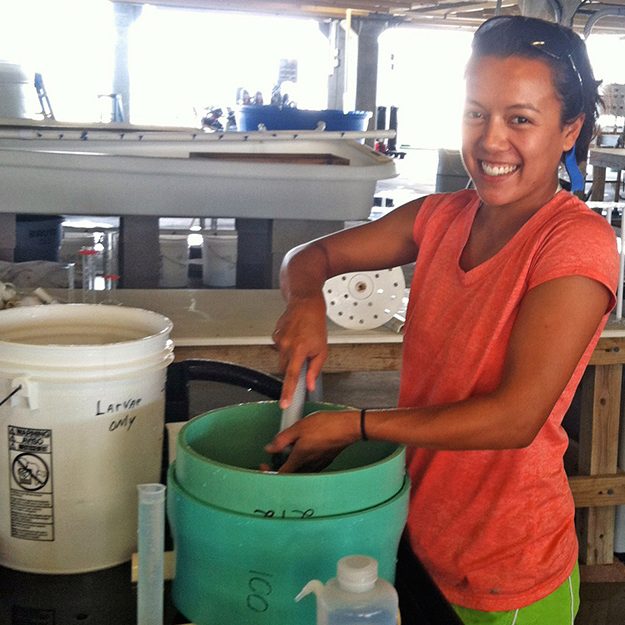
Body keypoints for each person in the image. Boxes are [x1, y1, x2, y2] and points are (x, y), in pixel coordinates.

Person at [267, 14, 619, 625]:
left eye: (520, 119)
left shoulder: (573, 244)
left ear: (569, 130)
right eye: (475, 113)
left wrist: (354, 426)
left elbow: (515, 417)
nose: (491, 141)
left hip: (507, 568)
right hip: (419, 536)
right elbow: (313, 255)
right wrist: (305, 301)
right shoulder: (440, 217)